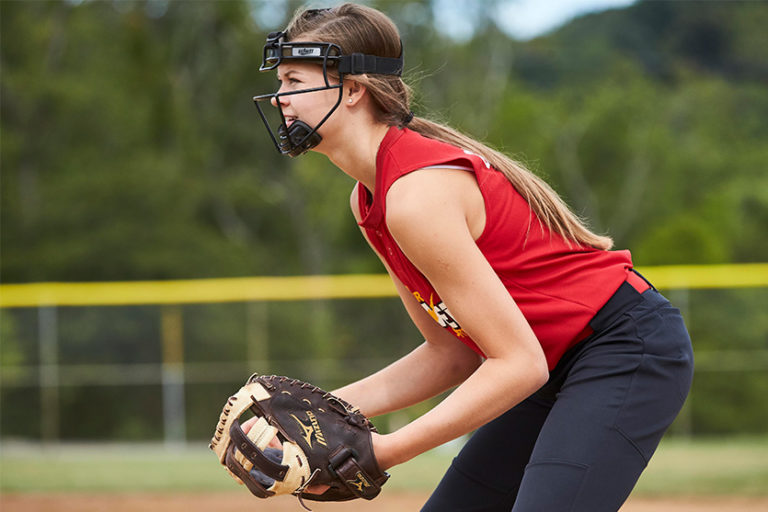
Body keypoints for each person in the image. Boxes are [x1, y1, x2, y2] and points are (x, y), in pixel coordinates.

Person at [251, 4, 694, 511]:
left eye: (293, 80)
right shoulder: (368, 197)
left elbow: (519, 363)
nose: (281, 98)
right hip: (551, 362)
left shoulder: (416, 195)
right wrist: (309, 411)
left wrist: (383, 452)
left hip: (622, 348)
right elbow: (452, 352)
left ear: (353, 90)